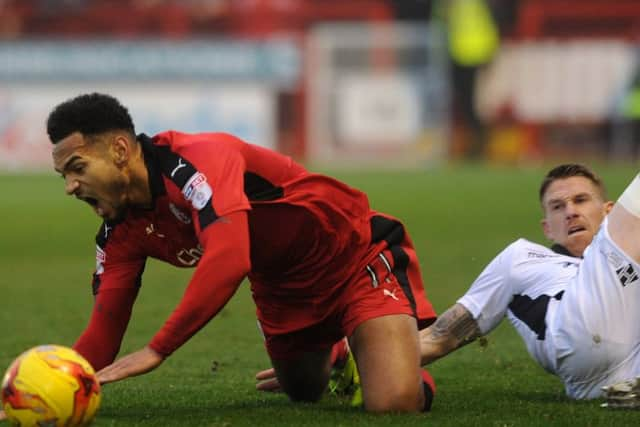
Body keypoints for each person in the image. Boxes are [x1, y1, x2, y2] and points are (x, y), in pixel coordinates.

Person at [23, 93, 437, 414]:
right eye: (64, 176)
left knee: (393, 402)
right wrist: (45, 386)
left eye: (77, 168)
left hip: (352, 256)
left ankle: (402, 353)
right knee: (304, 391)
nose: (70, 187)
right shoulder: (118, 232)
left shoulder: (198, 160)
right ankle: (343, 350)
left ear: (118, 150)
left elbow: (230, 257)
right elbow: (105, 326)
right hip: (281, 289)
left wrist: (157, 349)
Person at [419, 163, 640, 402]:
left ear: (609, 211)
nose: (570, 212)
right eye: (557, 206)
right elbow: (439, 337)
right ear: (547, 228)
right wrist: (383, 364)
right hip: (583, 341)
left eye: (581, 200)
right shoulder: (521, 257)